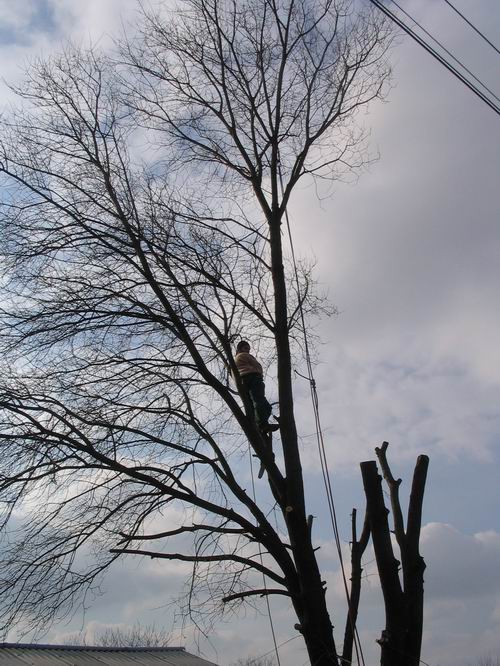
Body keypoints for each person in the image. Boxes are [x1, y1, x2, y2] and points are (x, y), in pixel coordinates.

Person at [234, 340, 279, 434]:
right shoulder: (243, 356)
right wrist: (259, 374)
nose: (248, 350)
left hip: (245, 381)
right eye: (246, 348)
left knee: (265, 406)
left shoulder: (235, 361)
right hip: (252, 378)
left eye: (248, 349)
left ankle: (258, 423)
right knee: (259, 401)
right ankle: (262, 424)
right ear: (240, 349)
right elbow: (257, 366)